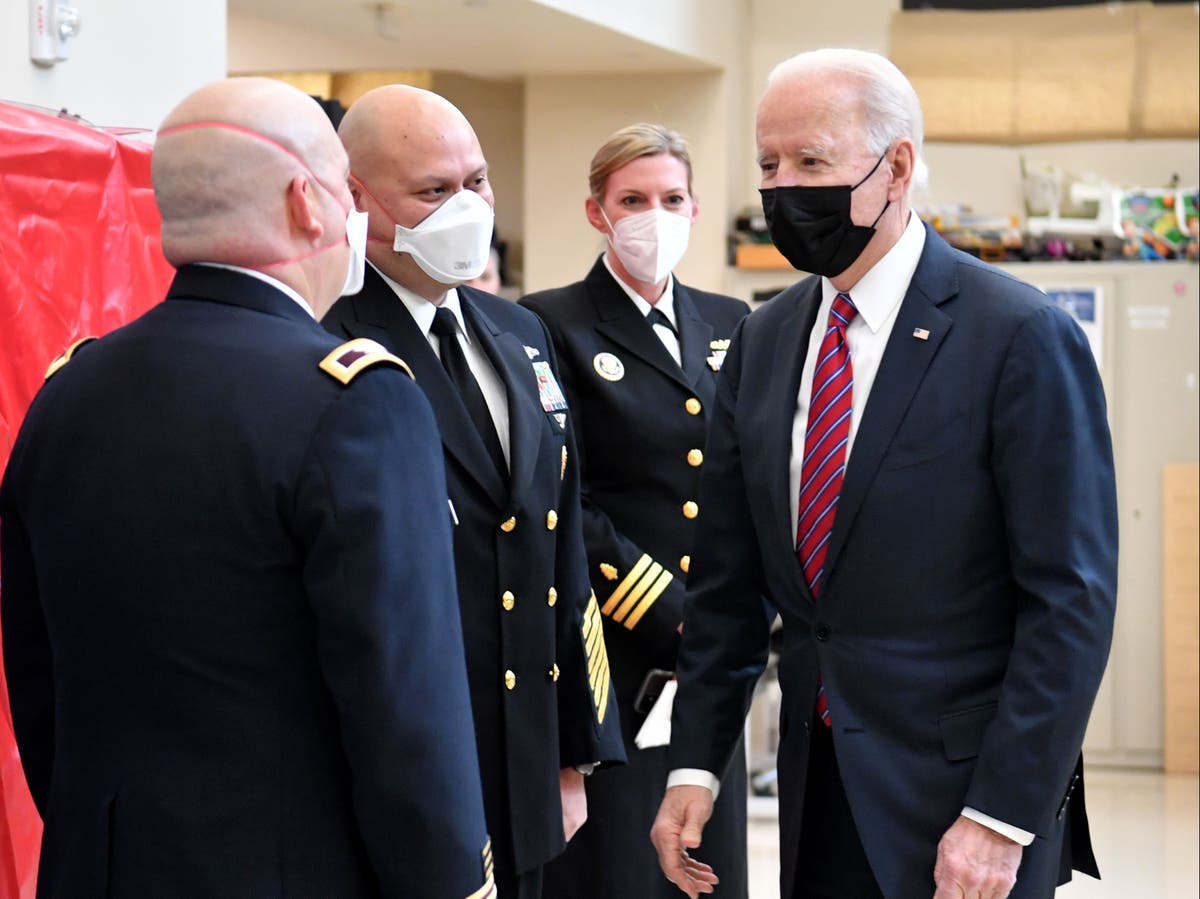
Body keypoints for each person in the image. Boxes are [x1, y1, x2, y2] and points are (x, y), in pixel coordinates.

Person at [1, 77, 496, 898]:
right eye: (344, 188)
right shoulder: (352, 400)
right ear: (309, 202)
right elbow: (405, 706)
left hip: (103, 862)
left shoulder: (69, 392)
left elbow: (39, 675)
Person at [650, 49, 1118, 899]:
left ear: (895, 166)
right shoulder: (763, 343)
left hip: (966, 808)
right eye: (768, 164)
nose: (784, 188)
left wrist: (1002, 815)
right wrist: (695, 763)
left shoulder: (1017, 336)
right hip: (817, 789)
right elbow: (727, 585)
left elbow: (1071, 600)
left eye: (812, 162)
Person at [323, 84, 626, 899]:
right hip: (409, 772)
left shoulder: (518, 333)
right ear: (357, 199)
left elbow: (556, 544)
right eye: (433, 190)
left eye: (477, 181)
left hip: (523, 759)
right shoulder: (324, 341)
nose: (466, 207)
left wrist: (575, 747)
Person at [520, 123, 750, 899]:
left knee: (711, 860)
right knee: (620, 868)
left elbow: (744, 482)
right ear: (597, 212)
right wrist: (668, 610)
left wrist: (729, 611)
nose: (655, 215)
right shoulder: (549, 323)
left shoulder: (731, 320)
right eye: (633, 199)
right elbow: (559, 493)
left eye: (672, 197)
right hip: (611, 651)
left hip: (712, 656)